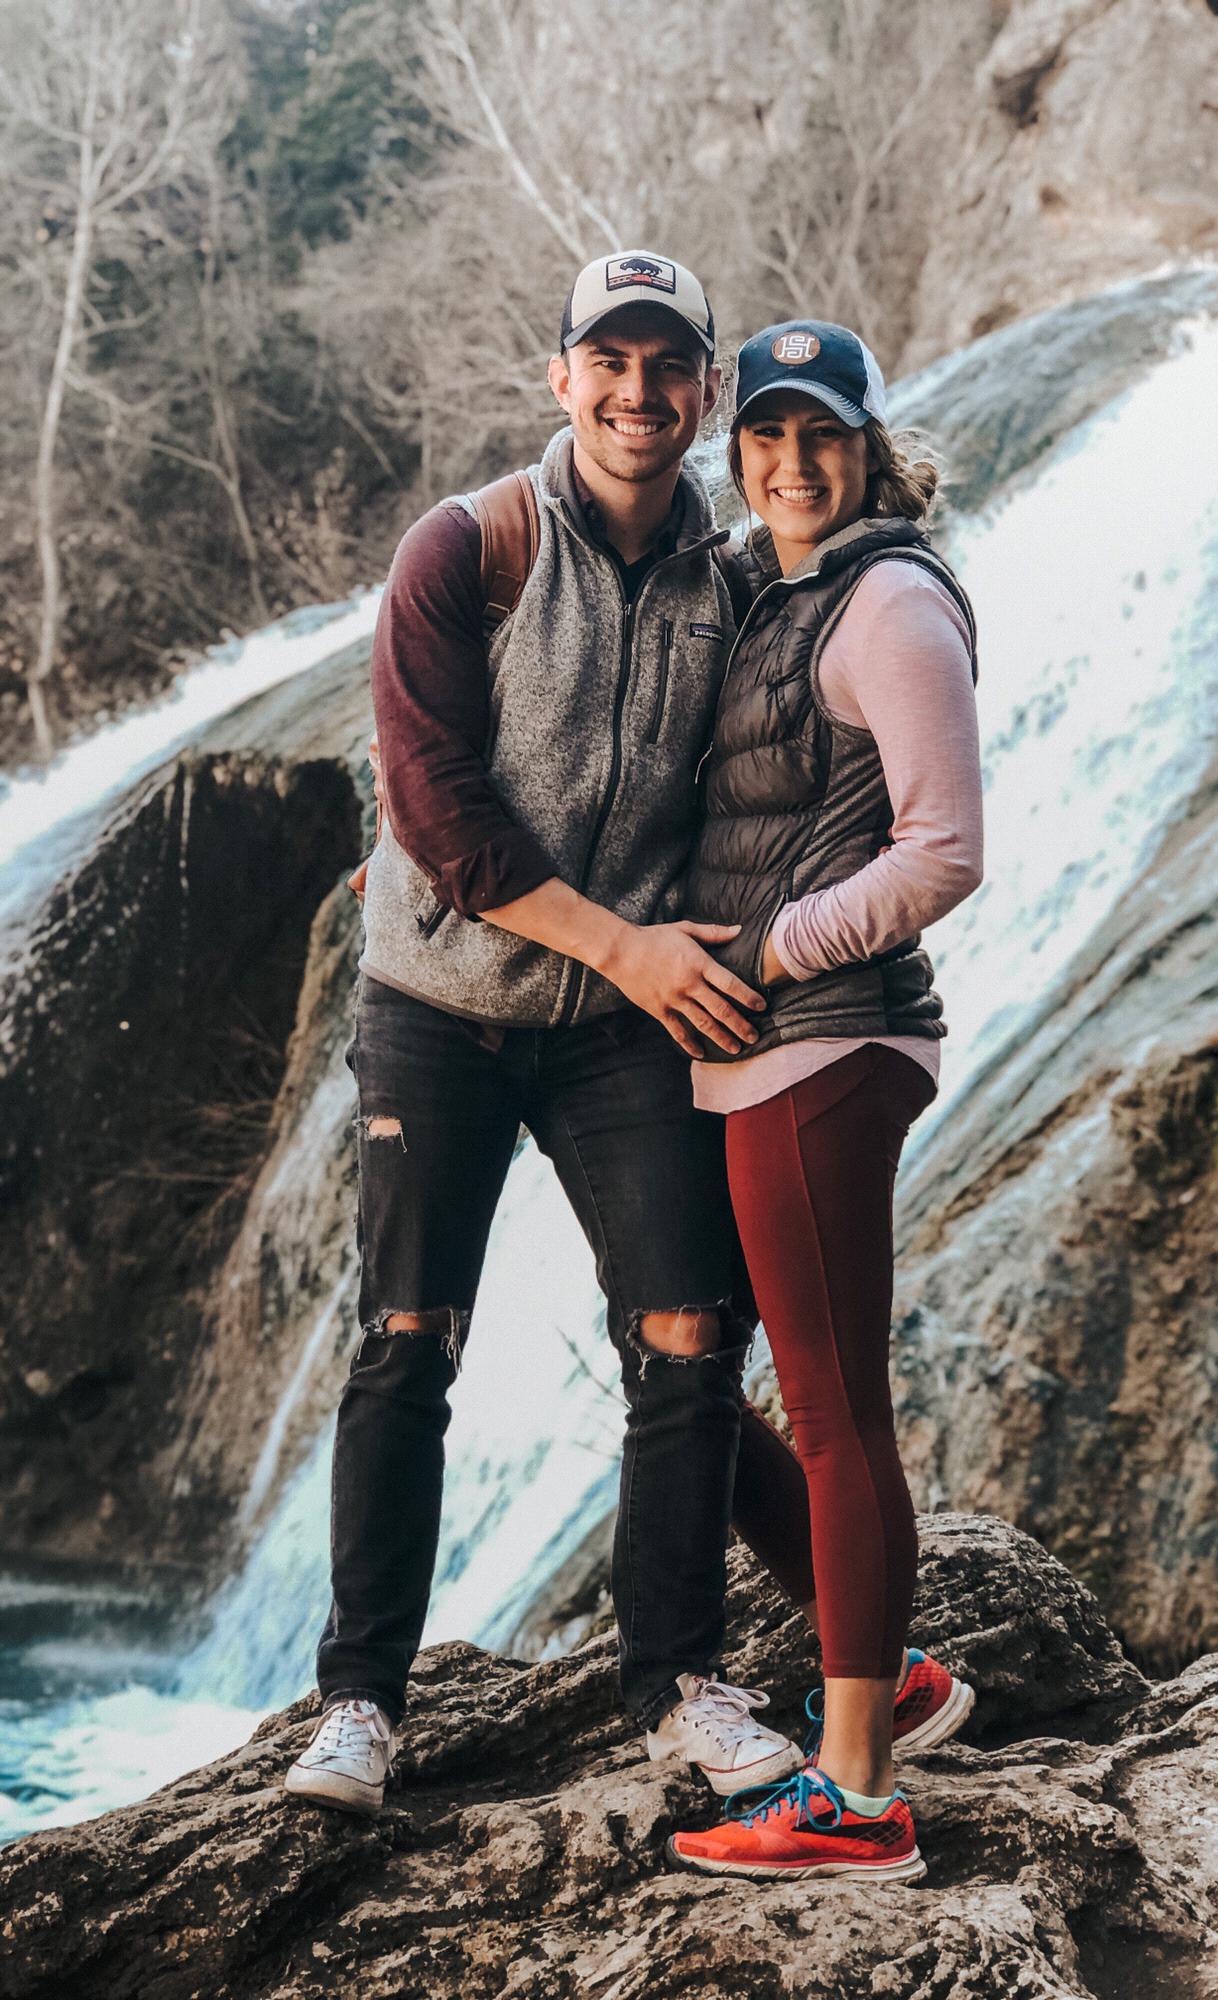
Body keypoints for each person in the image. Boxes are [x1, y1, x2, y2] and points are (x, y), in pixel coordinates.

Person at [284, 251, 812, 1815]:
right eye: (610, 361)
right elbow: (436, 808)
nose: (638, 395)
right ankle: (361, 1705)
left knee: (690, 1337)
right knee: (405, 1344)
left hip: (618, 1026)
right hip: (442, 1007)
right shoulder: (468, 547)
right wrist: (634, 952)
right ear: (559, 374)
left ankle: (679, 1685)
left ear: (706, 392)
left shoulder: (737, 582)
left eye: (669, 369)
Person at [666, 321, 985, 1884]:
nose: (794, 464)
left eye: (824, 436)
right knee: (678, 1369)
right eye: (769, 435)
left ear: (867, 444)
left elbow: (943, 850)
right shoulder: (764, 584)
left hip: (828, 1044)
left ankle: (853, 1792)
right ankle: (891, 1669)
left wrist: (779, 950)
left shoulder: (892, 603)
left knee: (835, 1408)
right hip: (757, 1051)